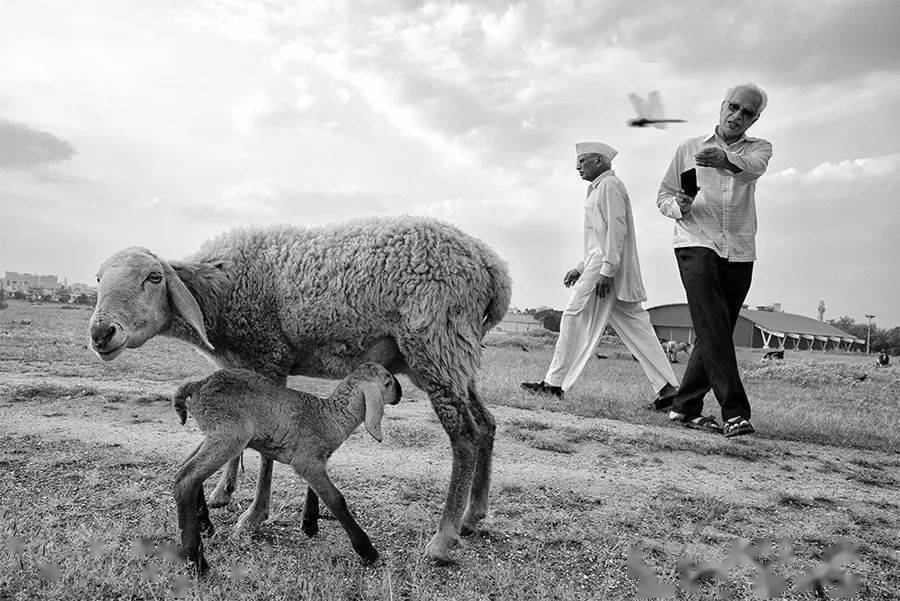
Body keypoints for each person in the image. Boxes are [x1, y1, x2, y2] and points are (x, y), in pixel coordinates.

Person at [521, 142, 679, 408]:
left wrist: (606, 271)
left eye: (582, 161)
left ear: (599, 160)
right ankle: (669, 389)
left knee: (573, 315)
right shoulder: (595, 189)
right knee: (636, 327)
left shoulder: (610, 186)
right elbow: (598, 237)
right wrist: (581, 267)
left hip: (606, 268)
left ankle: (554, 384)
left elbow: (617, 230)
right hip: (600, 263)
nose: (577, 167)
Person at [656, 83, 773, 438]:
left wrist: (725, 160)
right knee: (712, 324)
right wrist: (680, 206)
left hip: (739, 249)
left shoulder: (760, 149)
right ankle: (735, 410)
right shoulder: (689, 147)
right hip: (695, 241)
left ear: (755, 118)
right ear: (722, 106)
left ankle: (685, 406)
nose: (737, 115)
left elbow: (753, 170)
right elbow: (663, 196)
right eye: (733, 107)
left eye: (747, 112)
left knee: (716, 327)